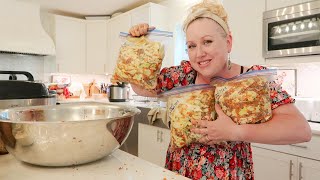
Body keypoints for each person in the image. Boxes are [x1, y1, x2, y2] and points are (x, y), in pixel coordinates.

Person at [128, 0, 312, 179]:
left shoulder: (252, 81)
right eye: (191, 46)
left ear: (228, 42)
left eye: (207, 41)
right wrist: (139, 45)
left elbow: (300, 130)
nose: (199, 53)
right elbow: (141, 88)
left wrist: (235, 131)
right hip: (179, 172)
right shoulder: (182, 76)